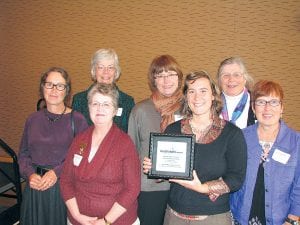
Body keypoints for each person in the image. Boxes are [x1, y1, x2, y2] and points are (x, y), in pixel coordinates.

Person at [143, 71, 247, 224]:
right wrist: (156, 170)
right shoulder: (173, 130)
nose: (197, 97)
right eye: (191, 91)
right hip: (174, 216)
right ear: (186, 97)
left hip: (212, 218)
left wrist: (203, 188)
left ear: (213, 95)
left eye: (203, 91)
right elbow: (169, 173)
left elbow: (236, 179)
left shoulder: (232, 134)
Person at [60, 83, 141, 225]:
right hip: (78, 220)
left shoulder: (125, 143)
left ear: (115, 110)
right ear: (88, 107)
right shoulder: (79, 139)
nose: (99, 108)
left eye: (106, 104)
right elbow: (66, 181)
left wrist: (106, 221)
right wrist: (76, 215)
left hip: (116, 221)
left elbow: (132, 189)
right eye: (95, 103)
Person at [18, 67, 89, 225]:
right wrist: (30, 174)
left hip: (63, 188)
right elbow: (23, 154)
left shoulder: (78, 120)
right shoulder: (33, 119)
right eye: (49, 84)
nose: (54, 90)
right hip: (35, 188)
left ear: (67, 90)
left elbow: (82, 156)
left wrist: (56, 173)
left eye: (60, 85)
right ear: (42, 88)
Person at [230, 80, 300, 225]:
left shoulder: (296, 142)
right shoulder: (240, 137)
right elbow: (231, 175)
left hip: (281, 220)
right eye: (261, 102)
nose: (267, 108)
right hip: (240, 218)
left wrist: (292, 220)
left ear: (282, 108)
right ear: (254, 108)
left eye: (274, 102)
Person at [128, 55, 184, 225]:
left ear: (179, 77)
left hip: (182, 188)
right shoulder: (141, 110)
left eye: (171, 74)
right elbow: (131, 152)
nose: (166, 80)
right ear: (153, 80)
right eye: (160, 75)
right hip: (149, 188)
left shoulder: (190, 108)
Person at [72, 48, 134, 132]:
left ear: (116, 72)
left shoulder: (127, 102)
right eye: (101, 67)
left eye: (110, 67)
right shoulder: (79, 100)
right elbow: (75, 134)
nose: (106, 72)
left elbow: (129, 135)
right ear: (94, 71)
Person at [217, 56, 255, 129]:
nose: (231, 79)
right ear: (219, 80)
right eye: (226, 75)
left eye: (236, 75)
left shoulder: (258, 102)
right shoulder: (211, 104)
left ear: (245, 79)